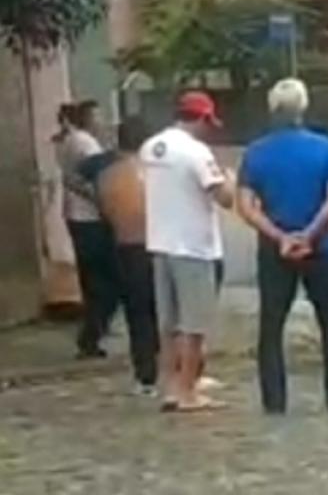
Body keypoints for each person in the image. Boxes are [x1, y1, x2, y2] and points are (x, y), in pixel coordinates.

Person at [237, 78, 328, 415]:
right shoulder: (325, 149)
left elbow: (245, 206)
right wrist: (309, 233)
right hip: (322, 249)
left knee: (271, 327)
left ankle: (274, 401)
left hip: (275, 253)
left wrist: (280, 236)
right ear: (303, 109)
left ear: (273, 109)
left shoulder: (256, 152)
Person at [141, 92, 235, 412]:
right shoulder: (196, 152)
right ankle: (187, 392)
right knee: (194, 325)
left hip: (160, 242)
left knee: (168, 325)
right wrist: (232, 179)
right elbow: (223, 196)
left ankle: (168, 387)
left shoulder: (151, 147)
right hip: (193, 246)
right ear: (203, 118)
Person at [88, 117, 159, 395]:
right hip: (155, 245)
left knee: (137, 314)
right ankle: (178, 369)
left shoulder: (107, 176)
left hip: (124, 247)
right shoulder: (153, 173)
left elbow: (105, 212)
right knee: (166, 312)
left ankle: (145, 375)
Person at [60, 100, 119, 359]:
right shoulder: (86, 143)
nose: (102, 122)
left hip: (78, 217)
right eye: (98, 117)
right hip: (90, 219)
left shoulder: (71, 140)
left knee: (93, 279)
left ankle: (93, 332)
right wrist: (103, 201)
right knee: (105, 280)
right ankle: (92, 334)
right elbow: (89, 178)